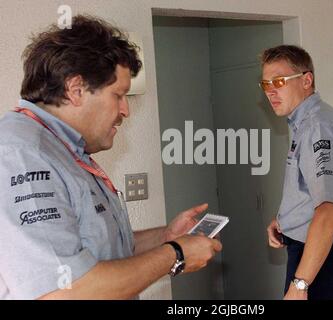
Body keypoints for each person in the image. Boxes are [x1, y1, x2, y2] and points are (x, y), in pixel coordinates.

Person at [0, 15, 222, 300]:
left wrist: (164, 237)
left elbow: (94, 250)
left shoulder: (67, 148)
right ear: (76, 89)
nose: (125, 110)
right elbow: (65, 292)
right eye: (118, 95)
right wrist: (175, 254)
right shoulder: (22, 155)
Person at [261, 45, 333, 300]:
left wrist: (300, 285)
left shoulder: (319, 127)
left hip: (326, 258)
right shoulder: (306, 122)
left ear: (306, 80)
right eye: (265, 84)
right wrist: (287, 218)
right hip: (318, 251)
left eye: (279, 81)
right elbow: (312, 190)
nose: (270, 90)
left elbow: (329, 210)